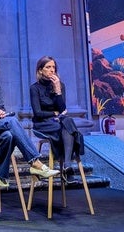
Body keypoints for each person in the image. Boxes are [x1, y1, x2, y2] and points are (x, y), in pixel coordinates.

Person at [0, 53, 59, 187]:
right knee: (12, 121)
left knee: (9, 135)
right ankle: (35, 162)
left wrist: (0, 112)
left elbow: (0, 107)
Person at [30, 55, 85, 183]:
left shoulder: (60, 86)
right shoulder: (35, 88)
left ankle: (66, 165)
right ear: (40, 70)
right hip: (42, 124)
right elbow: (37, 113)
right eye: (48, 67)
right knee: (69, 125)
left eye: (53, 67)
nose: (52, 70)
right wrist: (54, 113)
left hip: (58, 122)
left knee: (67, 122)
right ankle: (68, 166)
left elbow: (63, 110)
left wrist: (58, 91)